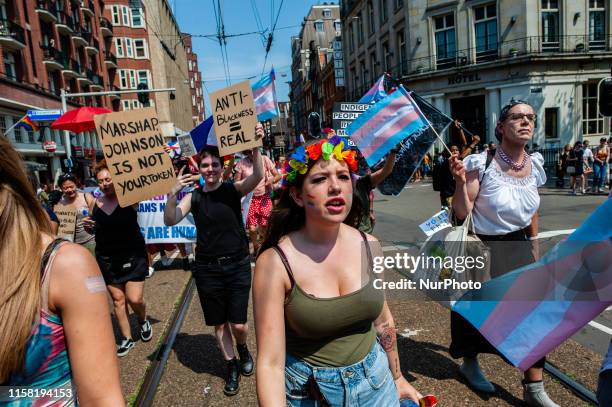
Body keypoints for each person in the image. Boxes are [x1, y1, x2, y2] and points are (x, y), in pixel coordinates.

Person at [254, 136, 423, 406]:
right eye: (320, 179)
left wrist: (397, 376)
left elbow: (383, 322)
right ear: (297, 195)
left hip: (376, 385)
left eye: (343, 176)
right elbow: (271, 364)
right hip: (310, 394)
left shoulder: (370, 246)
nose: (335, 187)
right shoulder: (275, 263)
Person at [449, 100, 558, 407]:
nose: (525, 122)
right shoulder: (481, 163)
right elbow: (461, 212)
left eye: (530, 118)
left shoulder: (534, 164)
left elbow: (532, 212)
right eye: (517, 117)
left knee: (533, 316)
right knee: (476, 314)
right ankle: (469, 362)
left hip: (519, 247)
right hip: (483, 248)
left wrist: (534, 246)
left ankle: (534, 386)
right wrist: (459, 183)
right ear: (501, 126)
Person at [0, 138, 123, 404]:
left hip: (94, 249)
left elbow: (103, 398)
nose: (68, 189)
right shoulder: (58, 206)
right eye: (64, 186)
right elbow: (54, 223)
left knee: (125, 298)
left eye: (70, 186)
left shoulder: (88, 203)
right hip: (77, 245)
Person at [164, 124, 265, 396]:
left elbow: (257, 175)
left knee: (240, 325)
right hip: (208, 269)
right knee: (220, 324)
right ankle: (230, 366)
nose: (209, 169)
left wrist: (255, 147)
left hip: (237, 265)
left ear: (222, 167)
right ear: (200, 168)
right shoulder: (194, 197)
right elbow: (170, 219)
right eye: (205, 165)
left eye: (214, 165)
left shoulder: (233, 190)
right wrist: (172, 194)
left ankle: (243, 348)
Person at [83, 161, 153, 357]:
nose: (104, 184)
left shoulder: (129, 199)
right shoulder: (93, 203)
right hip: (107, 257)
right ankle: (127, 339)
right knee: (118, 299)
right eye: (100, 181)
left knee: (134, 298)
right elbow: (92, 226)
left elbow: (145, 181)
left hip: (133, 253)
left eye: (108, 179)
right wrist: (89, 227)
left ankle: (142, 319)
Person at [235, 148, 281, 255]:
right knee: (252, 229)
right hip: (249, 200)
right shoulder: (241, 163)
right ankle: (256, 246)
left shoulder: (264, 159)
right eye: (247, 152)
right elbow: (236, 183)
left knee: (265, 226)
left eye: (252, 151)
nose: (251, 154)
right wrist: (245, 184)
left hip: (264, 197)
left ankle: (265, 247)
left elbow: (278, 175)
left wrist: (271, 180)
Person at [353, 148, 398, 233]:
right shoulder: (335, 187)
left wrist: (393, 152)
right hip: (346, 238)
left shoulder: (361, 182)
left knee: (373, 245)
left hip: (365, 232)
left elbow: (386, 171)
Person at [55, 173, 96, 254]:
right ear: (61, 189)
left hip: (91, 241)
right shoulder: (60, 204)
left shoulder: (86, 196)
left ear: (76, 185)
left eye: (71, 186)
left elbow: (97, 216)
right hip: (73, 246)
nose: (69, 190)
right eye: (65, 188)